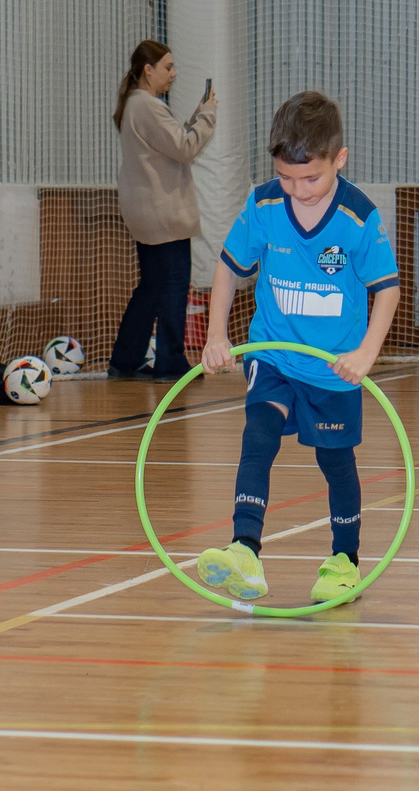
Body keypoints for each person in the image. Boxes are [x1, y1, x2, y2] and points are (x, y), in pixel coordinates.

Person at [196, 92, 402, 606]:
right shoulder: (264, 204)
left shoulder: (358, 218)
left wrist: (366, 355)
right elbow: (227, 266)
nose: (298, 190)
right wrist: (217, 335)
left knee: (336, 462)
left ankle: (344, 561)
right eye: (286, 178)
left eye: (311, 178)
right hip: (274, 353)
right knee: (258, 434)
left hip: (333, 367)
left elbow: (388, 289)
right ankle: (244, 549)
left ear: (340, 159)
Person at [110, 40, 218, 380]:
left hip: (147, 213)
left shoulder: (135, 105)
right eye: (168, 67)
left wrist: (194, 119)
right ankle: (170, 361)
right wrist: (208, 116)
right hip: (163, 214)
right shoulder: (147, 106)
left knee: (152, 287)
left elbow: (171, 143)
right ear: (148, 70)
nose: (173, 74)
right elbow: (185, 147)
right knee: (172, 287)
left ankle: (125, 360)